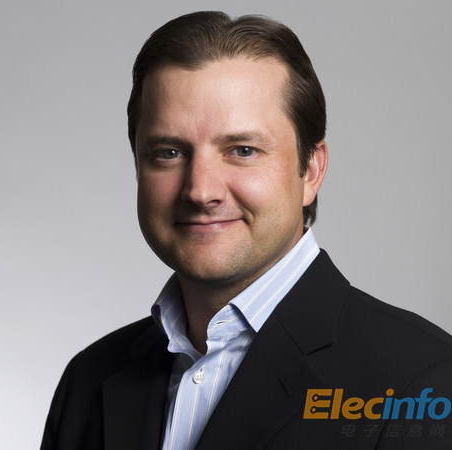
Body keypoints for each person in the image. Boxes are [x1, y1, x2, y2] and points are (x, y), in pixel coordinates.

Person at [41, 11, 452, 449]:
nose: (201, 191)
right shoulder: (88, 379)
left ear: (311, 170)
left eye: (242, 150)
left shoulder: (423, 381)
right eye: (168, 152)